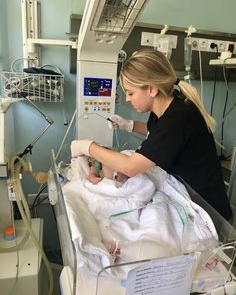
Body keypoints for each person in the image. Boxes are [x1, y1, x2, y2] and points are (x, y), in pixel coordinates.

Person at [71, 49, 232, 220]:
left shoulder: (179, 117)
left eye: (130, 92)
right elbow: (160, 135)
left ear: (152, 90)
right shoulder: (167, 107)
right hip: (184, 191)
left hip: (207, 210)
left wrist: (87, 147)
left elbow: (130, 166)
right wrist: (129, 125)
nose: (127, 99)